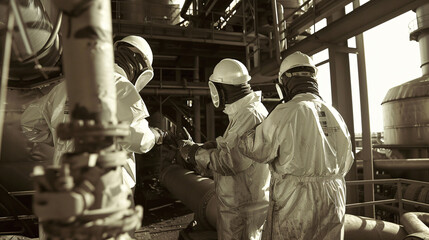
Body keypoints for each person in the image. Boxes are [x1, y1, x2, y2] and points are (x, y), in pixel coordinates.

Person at [226, 51, 354, 240]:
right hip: (334, 196)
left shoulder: (286, 111)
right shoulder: (334, 113)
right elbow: (348, 160)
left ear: (285, 83)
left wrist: (249, 133)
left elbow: (256, 149)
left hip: (296, 198)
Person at [20, 35, 169, 192]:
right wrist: (156, 135)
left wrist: (60, 136)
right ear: (139, 67)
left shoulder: (63, 87)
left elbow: (29, 122)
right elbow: (138, 139)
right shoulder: (121, 86)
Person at [178, 58, 270, 240]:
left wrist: (194, 153)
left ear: (221, 89)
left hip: (244, 210)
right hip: (240, 206)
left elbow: (231, 161)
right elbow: (237, 147)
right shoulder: (244, 112)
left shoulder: (249, 115)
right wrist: (212, 145)